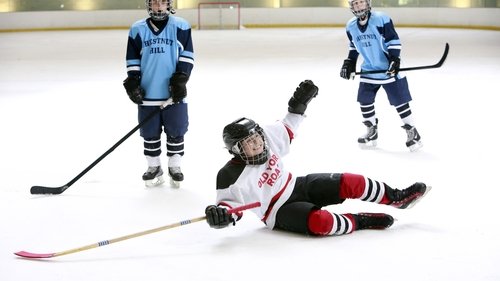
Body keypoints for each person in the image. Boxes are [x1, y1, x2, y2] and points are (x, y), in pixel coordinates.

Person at [204, 80, 431, 236]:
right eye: (249, 143)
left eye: (257, 137)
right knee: (320, 223)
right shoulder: (229, 175)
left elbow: (289, 123)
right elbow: (230, 207)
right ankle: (361, 221)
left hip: (297, 184)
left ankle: (397, 198)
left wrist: (298, 104)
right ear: (237, 150)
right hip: (277, 211)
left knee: (351, 181)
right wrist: (222, 216)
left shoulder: (266, 137)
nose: (257, 143)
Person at [123, 0, 194, 187]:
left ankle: (175, 166)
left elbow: (187, 55)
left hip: (173, 94)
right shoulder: (137, 29)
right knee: (149, 133)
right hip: (148, 93)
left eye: (162, 2)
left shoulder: (180, 26)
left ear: (169, 4)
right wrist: (132, 81)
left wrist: (181, 79)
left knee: (176, 130)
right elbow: (133, 59)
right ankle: (154, 166)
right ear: (149, 5)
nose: (159, 7)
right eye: (155, 3)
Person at [340, 0, 422, 152]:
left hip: (388, 68)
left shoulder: (381, 19)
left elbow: (393, 41)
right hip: (369, 69)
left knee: (399, 100)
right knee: (364, 100)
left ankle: (413, 132)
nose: (358, 6)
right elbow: (353, 46)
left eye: (361, 2)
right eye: (355, 3)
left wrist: (395, 60)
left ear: (368, 3)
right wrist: (350, 61)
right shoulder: (350, 25)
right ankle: (372, 131)